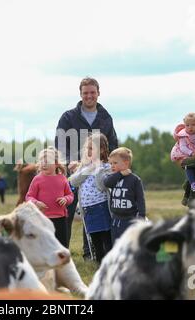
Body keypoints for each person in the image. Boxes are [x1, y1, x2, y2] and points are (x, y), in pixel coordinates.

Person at [55, 77, 118, 256]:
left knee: (94, 209)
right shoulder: (68, 117)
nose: (89, 96)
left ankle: (90, 253)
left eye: (92, 92)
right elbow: (60, 143)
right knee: (66, 211)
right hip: (75, 171)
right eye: (85, 93)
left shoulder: (105, 117)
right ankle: (61, 252)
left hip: (98, 172)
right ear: (80, 94)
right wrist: (70, 163)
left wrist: (110, 165)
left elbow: (112, 143)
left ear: (98, 93)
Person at [69, 133, 112, 264]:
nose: (87, 151)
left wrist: (97, 168)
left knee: (106, 239)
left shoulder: (107, 167)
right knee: (95, 239)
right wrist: (89, 168)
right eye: (86, 148)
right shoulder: (84, 167)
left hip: (102, 206)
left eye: (91, 148)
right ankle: (99, 264)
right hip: (87, 209)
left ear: (102, 150)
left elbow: (102, 186)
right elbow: (73, 181)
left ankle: (110, 263)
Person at [25, 147, 74, 247]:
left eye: (47, 162)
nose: (44, 164)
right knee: (45, 245)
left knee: (62, 244)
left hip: (60, 218)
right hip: (43, 219)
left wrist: (65, 199)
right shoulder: (37, 179)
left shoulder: (62, 178)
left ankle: (62, 261)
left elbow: (70, 195)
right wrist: (36, 203)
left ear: (56, 164)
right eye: (42, 162)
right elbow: (29, 196)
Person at [103, 147, 146, 243]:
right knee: (116, 243)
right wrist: (120, 174)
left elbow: (140, 199)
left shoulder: (135, 180)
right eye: (111, 163)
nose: (112, 166)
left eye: (115, 163)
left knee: (129, 243)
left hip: (130, 219)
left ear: (126, 163)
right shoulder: (114, 178)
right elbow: (106, 183)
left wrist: (142, 216)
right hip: (115, 219)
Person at [170, 112, 195, 192]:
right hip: (182, 152)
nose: (190, 127)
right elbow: (183, 147)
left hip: (193, 152)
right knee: (188, 165)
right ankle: (193, 183)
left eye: (193, 125)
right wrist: (191, 153)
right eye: (187, 125)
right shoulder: (183, 135)